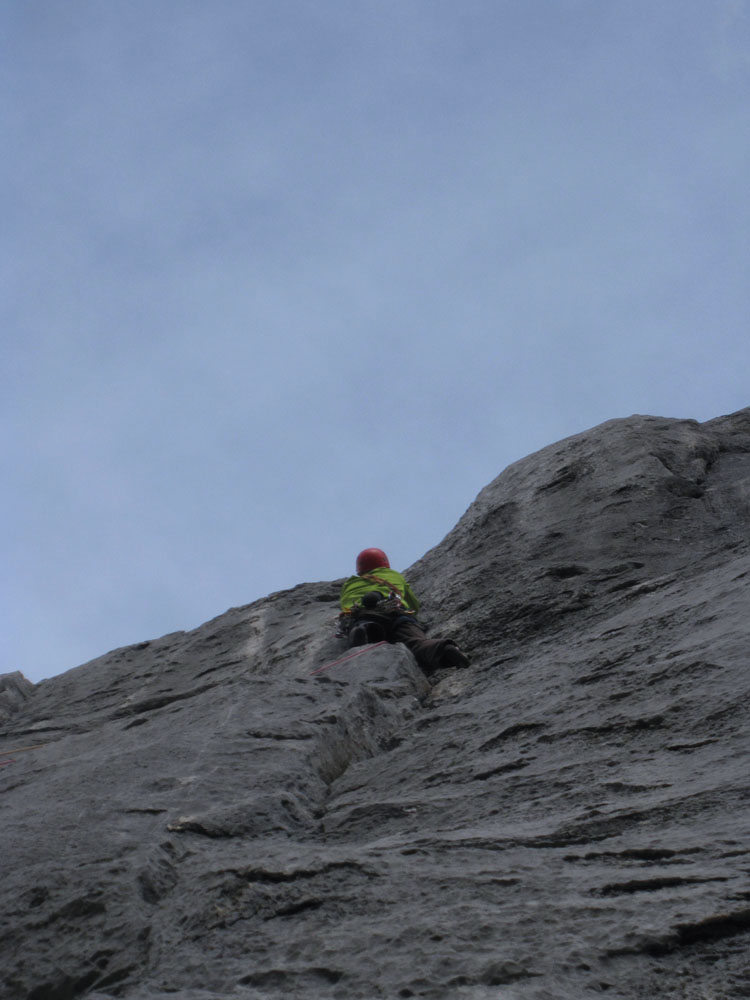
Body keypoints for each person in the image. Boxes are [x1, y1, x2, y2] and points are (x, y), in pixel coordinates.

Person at [338, 547, 470, 676]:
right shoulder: (393, 575)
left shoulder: (349, 584)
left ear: (360, 568)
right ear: (384, 563)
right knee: (416, 642)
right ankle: (442, 649)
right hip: (398, 614)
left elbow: (346, 605)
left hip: (366, 614)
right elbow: (414, 605)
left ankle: (365, 631)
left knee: (361, 623)